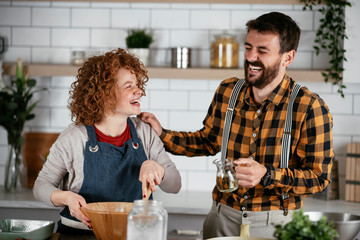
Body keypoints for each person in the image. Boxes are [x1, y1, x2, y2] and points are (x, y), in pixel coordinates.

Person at [140, 12, 333, 239]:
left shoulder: (309, 107)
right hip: (222, 217)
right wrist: (162, 134)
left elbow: (319, 179)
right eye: (248, 47)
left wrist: (267, 175)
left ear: (287, 58)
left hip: (276, 224)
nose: (250, 57)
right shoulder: (228, 91)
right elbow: (208, 141)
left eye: (262, 51)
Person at [33, 48, 181, 234]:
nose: (139, 91)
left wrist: (157, 168)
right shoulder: (74, 138)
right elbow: (41, 187)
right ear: (104, 93)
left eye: (138, 84)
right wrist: (66, 197)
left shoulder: (145, 132)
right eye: (128, 86)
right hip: (81, 235)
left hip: (133, 233)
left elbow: (175, 184)